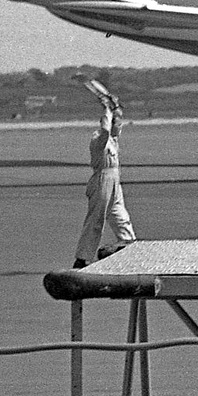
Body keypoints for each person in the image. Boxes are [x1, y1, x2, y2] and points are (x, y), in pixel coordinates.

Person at [73, 77, 136, 268]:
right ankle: (83, 258)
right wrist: (107, 110)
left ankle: (129, 245)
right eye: (116, 122)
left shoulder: (114, 140)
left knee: (120, 214)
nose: (119, 125)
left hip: (114, 179)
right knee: (96, 218)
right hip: (102, 179)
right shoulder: (100, 139)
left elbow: (116, 126)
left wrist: (115, 106)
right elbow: (106, 129)